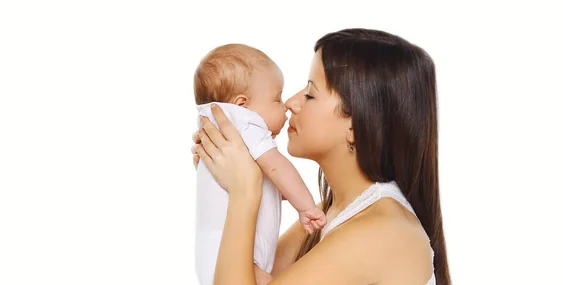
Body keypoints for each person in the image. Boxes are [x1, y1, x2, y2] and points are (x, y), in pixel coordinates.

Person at [192, 28, 451, 285]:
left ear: (355, 127)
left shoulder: (380, 231)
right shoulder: (331, 211)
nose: (291, 103)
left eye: (309, 94)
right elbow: (244, 273)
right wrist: (223, 177)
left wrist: (243, 192)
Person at [193, 44, 326, 285]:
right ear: (242, 104)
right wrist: (306, 207)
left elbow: (269, 185)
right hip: (240, 255)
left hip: (212, 251)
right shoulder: (246, 123)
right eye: (277, 98)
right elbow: (277, 168)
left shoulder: (218, 122)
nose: (286, 105)